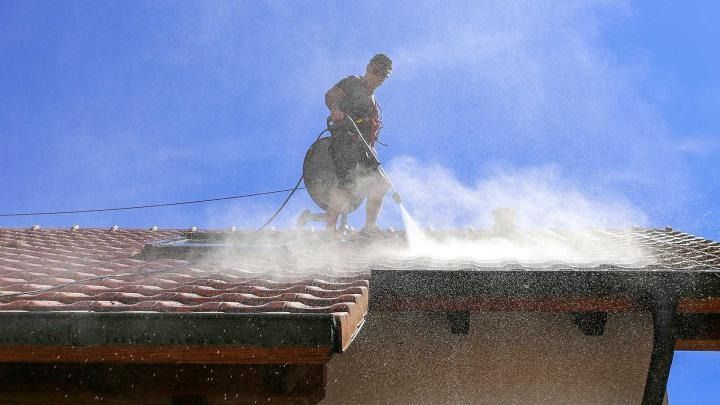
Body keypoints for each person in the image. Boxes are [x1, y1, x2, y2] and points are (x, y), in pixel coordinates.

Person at [324, 54, 392, 233]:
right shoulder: (353, 82)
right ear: (368, 67)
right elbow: (331, 95)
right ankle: (329, 230)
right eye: (376, 72)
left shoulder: (373, 100)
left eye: (383, 76)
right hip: (345, 141)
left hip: (363, 148)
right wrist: (336, 110)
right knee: (346, 183)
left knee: (380, 183)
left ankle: (369, 227)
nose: (377, 78)